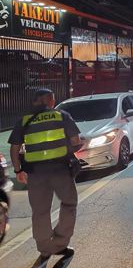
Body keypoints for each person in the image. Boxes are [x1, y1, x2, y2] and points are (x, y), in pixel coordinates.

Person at [8, 89, 82, 267]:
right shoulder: (61, 116)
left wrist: (18, 171)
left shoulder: (24, 120)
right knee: (69, 204)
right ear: (49, 100)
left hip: (36, 174)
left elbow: (14, 149)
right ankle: (60, 243)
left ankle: (44, 249)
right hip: (60, 170)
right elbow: (76, 142)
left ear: (35, 102)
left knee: (40, 212)